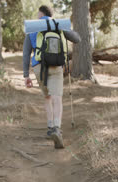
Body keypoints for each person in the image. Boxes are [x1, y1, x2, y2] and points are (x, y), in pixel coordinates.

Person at [23, 5, 80, 149]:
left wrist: (26, 75)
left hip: (38, 66)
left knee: (47, 97)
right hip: (56, 65)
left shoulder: (33, 27)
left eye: (38, 14)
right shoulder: (57, 25)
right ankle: (56, 128)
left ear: (41, 14)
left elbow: (26, 52)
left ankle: (49, 128)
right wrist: (64, 29)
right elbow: (77, 39)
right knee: (57, 97)